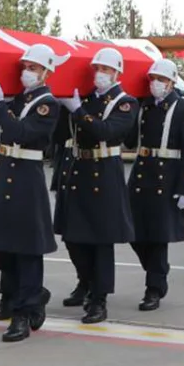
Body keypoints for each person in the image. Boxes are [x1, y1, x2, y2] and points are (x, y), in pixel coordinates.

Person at [0, 44, 61, 342]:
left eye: (34, 68)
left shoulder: (47, 104)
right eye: (25, 67)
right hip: (1, 174)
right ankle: (31, 292)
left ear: (47, 72)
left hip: (26, 178)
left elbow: (21, 134)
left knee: (26, 248)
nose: (27, 72)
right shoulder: (13, 100)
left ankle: (23, 312)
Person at [53, 47, 138, 323]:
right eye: (97, 69)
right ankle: (85, 282)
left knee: (101, 240)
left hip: (104, 171)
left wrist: (78, 111)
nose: (99, 74)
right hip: (79, 169)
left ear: (116, 73)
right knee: (74, 236)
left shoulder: (126, 103)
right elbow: (64, 134)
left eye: (105, 70)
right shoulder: (85, 99)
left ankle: (99, 298)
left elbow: (107, 131)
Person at [129, 58, 184, 310]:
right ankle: (158, 272)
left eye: (161, 79)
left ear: (171, 82)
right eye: (153, 79)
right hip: (141, 174)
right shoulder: (144, 106)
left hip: (166, 177)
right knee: (134, 233)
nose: (156, 84)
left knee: (157, 236)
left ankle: (154, 288)